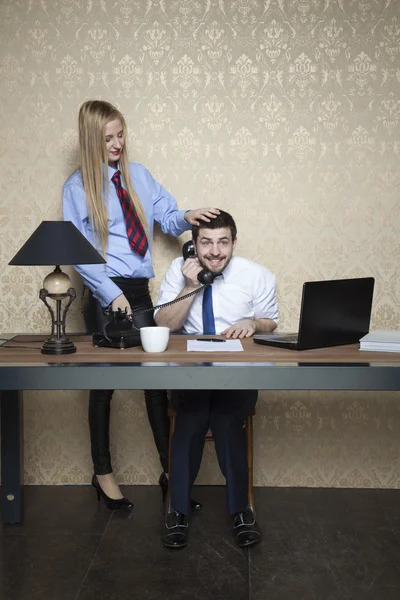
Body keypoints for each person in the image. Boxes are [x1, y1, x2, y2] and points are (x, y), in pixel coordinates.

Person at [62, 99, 219, 511]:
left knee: (155, 384)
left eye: (120, 134)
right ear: (92, 140)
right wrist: (107, 293)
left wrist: (190, 214)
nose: (117, 143)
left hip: (138, 290)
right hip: (103, 294)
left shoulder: (140, 177)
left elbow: (167, 217)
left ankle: (172, 473)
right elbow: (78, 250)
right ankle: (103, 474)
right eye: (107, 138)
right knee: (102, 388)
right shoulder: (77, 188)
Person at [154, 210, 279, 548]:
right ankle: (177, 512)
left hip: (238, 372)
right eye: (206, 243)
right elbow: (164, 324)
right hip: (191, 371)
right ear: (193, 246)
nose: (215, 251)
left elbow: (271, 322)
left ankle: (241, 511)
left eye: (223, 242)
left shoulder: (256, 275)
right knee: (191, 420)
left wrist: (253, 324)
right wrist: (191, 286)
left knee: (226, 421)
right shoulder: (179, 273)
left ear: (233, 243)